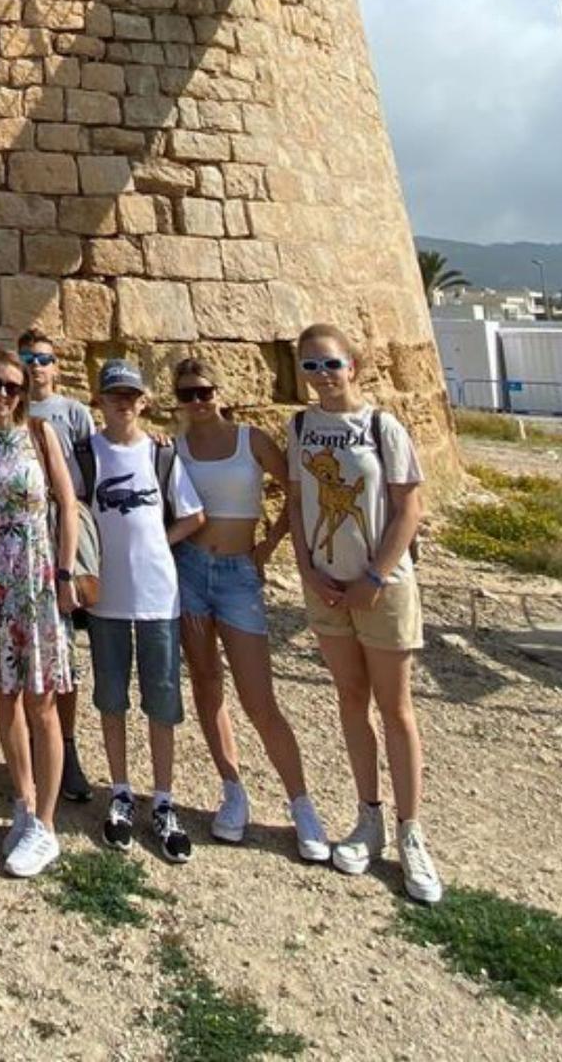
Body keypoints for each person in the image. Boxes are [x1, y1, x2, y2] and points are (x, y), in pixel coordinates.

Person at [287, 322, 440, 904]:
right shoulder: (301, 427)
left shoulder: (383, 427)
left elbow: (410, 508)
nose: (322, 376)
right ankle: (368, 819)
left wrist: (375, 577)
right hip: (325, 588)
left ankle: (410, 832)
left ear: (354, 365)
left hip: (383, 587)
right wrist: (305, 568)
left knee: (396, 709)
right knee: (351, 701)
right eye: (310, 366)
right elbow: (301, 504)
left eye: (331, 364)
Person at [170, 356, 329, 861]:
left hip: (239, 575)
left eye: (205, 392)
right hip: (191, 572)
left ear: (220, 392)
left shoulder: (252, 440)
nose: (198, 401)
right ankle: (232, 789)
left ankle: (302, 805)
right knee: (206, 684)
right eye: (188, 393)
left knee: (259, 698)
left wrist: (269, 548)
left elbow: (295, 495)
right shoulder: (174, 449)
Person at [0, 347, 78, 879]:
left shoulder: (41, 435)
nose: (2, 394)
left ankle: (47, 826)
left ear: (24, 392)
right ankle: (25, 802)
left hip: (35, 577)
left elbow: (67, 502)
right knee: (7, 696)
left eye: (12, 386)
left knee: (43, 700)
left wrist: (67, 571)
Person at [87, 358, 205, 864]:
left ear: (143, 402)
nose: (123, 402)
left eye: (131, 395)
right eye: (114, 394)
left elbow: (194, 515)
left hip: (158, 593)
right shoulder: (85, 453)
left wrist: (160, 537)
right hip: (106, 596)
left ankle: (162, 799)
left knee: (161, 698)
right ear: (101, 400)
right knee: (111, 695)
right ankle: (119, 790)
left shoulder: (162, 455)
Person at [19, 326, 98, 803]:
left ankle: (65, 748)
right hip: (21, 540)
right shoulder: (7, 410)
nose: (36, 366)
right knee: (25, 648)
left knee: (62, 647)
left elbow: (93, 476)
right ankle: (32, 748)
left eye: (44, 358)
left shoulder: (74, 414)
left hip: (62, 532)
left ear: (57, 366)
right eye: (28, 357)